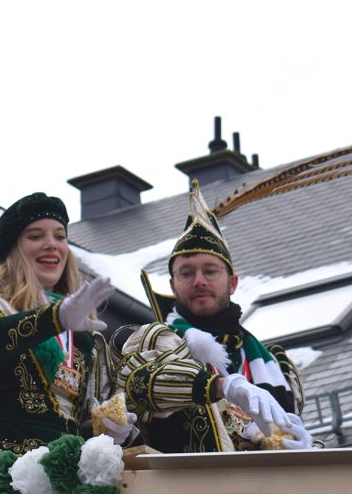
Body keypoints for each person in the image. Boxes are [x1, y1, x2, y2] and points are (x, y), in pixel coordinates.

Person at [0, 192, 124, 469]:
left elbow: (79, 421)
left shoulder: (83, 331)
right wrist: (52, 320)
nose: (52, 245)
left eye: (60, 236)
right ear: (13, 248)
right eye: (36, 235)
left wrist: (106, 430)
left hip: (65, 476)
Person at [114, 182, 311, 453]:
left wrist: (304, 446)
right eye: (186, 273)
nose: (198, 281)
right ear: (172, 286)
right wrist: (222, 385)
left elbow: (293, 433)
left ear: (232, 282)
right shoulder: (156, 340)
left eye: (209, 271)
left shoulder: (276, 363)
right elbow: (137, 383)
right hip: (189, 492)